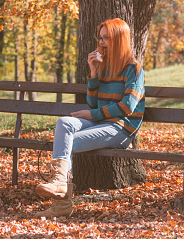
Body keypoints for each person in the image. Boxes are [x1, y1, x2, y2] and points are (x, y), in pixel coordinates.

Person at [34, 18, 146, 218]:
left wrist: (91, 115)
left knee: (66, 142)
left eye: (106, 38)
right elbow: (94, 103)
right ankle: (60, 182)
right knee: (64, 123)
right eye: (100, 38)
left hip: (120, 129)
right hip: (101, 122)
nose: (102, 43)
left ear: (119, 39)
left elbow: (127, 107)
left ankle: (61, 204)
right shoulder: (103, 67)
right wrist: (94, 72)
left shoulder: (133, 69)